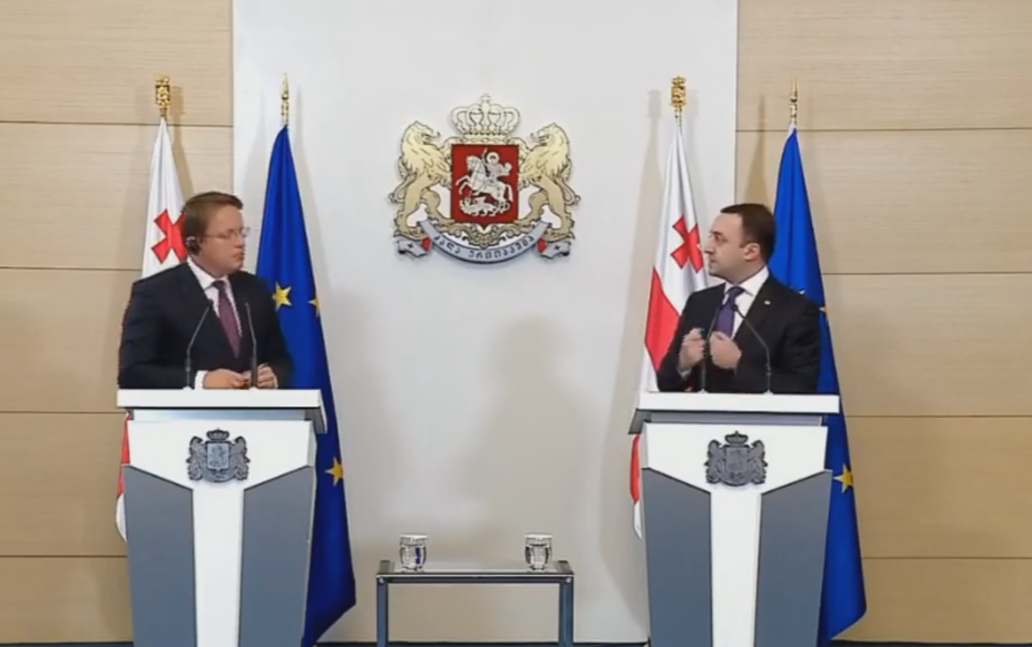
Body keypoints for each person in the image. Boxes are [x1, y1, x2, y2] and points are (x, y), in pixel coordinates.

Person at [118, 191, 293, 390]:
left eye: (241, 232)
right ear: (195, 242)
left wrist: (273, 375)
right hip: (185, 410)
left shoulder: (255, 290)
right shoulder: (155, 293)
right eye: (227, 235)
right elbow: (132, 373)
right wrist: (200, 381)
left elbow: (280, 359)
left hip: (251, 409)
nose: (240, 243)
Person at [656, 203, 821, 394]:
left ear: (750, 251)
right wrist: (683, 364)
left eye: (719, 239)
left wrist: (738, 364)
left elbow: (801, 387)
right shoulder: (700, 302)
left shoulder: (795, 309)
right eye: (711, 237)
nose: (707, 248)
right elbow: (665, 383)